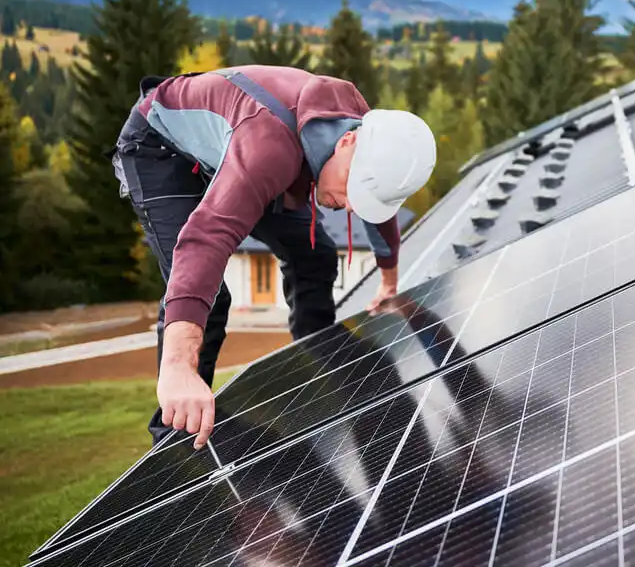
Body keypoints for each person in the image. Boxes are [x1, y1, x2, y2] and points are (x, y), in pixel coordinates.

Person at [111, 65, 436, 448]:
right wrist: (178, 365)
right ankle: (176, 431)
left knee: (314, 254)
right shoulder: (268, 148)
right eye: (353, 188)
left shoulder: (366, 132)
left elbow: (377, 208)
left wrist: (389, 280)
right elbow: (206, 237)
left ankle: (322, 350)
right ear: (347, 142)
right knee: (211, 300)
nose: (350, 206)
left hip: (242, 148)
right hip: (161, 150)